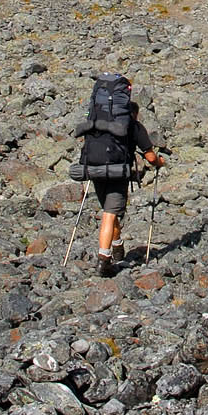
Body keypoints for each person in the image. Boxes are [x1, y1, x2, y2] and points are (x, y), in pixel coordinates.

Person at [72, 71, 163, 276]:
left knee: (109, 211)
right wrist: (160, 162)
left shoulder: (99, 121)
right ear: (134, 112)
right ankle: (104, 260)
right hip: (117, 172)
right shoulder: (133, 126)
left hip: (94, 169)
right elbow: (149, 157)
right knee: (110, 214)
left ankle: (117, 245)